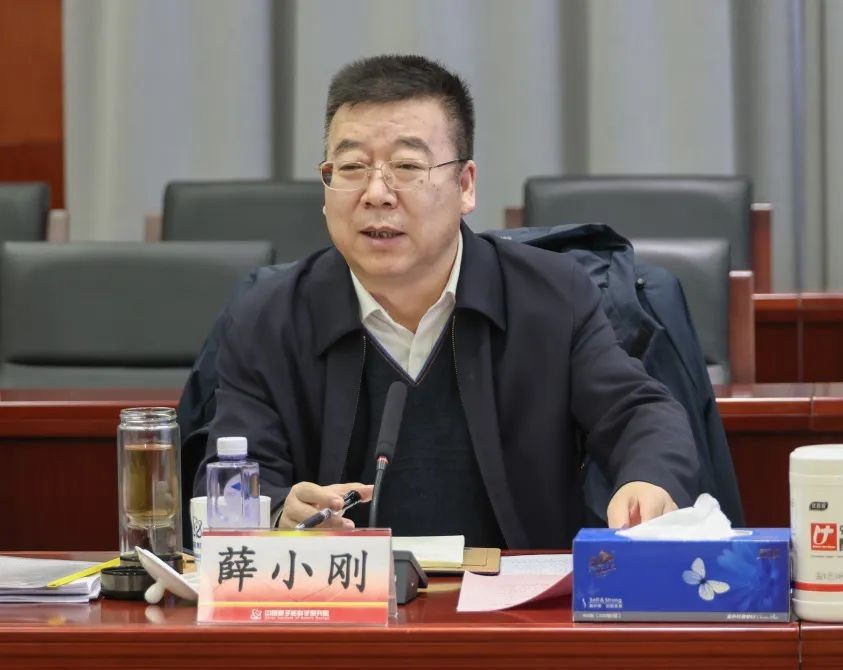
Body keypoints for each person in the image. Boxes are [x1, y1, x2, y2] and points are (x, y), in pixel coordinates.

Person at [193, 54, 699, 548]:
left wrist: (646, 481)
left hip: (514, 597)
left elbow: (640, 414)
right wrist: (279, 513)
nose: (376, 193)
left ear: (465, 186)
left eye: (407, 166)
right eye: (351, 167)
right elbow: (232, 473)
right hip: (336, 598)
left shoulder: (550, 297)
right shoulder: (268, 315)